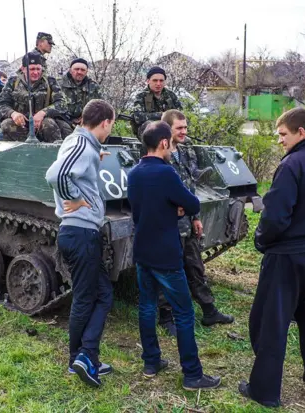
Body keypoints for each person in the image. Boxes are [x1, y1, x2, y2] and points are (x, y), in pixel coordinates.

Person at [239, 108, 305, 408]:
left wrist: (262, 240)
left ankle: (264, 390)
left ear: (302, 132)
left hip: (288, 256)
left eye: (283, 134)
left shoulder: (293, 164)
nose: (279, 141)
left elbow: (275, 215)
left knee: (270, 323)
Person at [127, 120, 221, 391]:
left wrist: (170, 208)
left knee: (146, 307)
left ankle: (151, 361)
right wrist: (176, 208)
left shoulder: (134, 173)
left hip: (143, 250)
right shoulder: (167, 173)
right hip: (166, 253)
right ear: (164, 143)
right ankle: (192, 374)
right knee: (183, 312)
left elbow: (139, 210)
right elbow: (191, 203)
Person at [45, 99, 115, 388]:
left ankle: (86, 356)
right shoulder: (82, 145)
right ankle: (82, 357)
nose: (111, 130)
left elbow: (72, 167)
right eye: (111, 125)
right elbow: (56, 175)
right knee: (87, 297)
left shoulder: (83, 145)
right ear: (105, 123)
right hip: (81, 232)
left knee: (102, 294)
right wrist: (72, 198)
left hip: (82, 232)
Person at [157, 109, 233, 335]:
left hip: (187, 221)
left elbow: (190, 186)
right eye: (179, 128)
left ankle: (209, 310)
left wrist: (196, 217)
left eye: (185, 127)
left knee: (195, 266)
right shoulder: (159, 153)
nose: (184, 131)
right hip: (169, 223)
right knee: (169, 270)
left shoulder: (184, 152)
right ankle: (165, 316)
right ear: (167, 129)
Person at [0, 52, 71, 143]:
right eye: (32, 69)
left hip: (44, 124)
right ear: (23, 69)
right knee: (6, 125)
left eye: (38, 69)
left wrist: (43, 112)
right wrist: (13, 114)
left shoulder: (50, 82)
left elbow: (62, 104)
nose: (35, 72)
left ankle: (54, 153)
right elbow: (2, 104)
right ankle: (21, 153)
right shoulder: (13, 82)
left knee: (48, 124)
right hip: (21, 124)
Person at [131, 67, 182, 137]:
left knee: (186, 142)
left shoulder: (170, 95)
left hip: (168, 130)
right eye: (155, 80)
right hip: (148, 131)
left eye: (161, 81)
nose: (158, 84)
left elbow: (180, 115)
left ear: (165, 82)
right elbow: (138, 117)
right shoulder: (141, 96)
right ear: (148, 81)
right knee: (149, 125)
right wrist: (163, 115)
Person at [60, 58, 101, 129]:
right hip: (62, 119)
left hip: (85, 121)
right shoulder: (59, 84)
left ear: (86, 72)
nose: (79, 72)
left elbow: (101, 106)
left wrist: (87, 117)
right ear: (70, 70)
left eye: (83, 70)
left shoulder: (93, 86)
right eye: (76, 69)